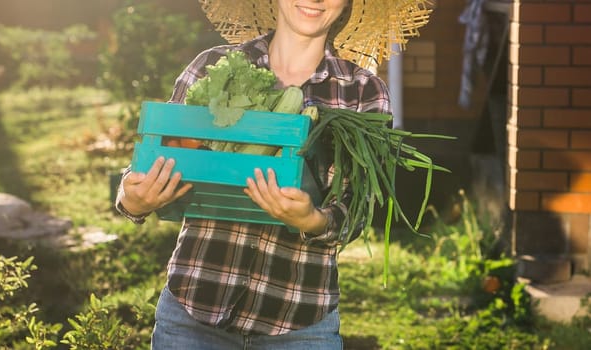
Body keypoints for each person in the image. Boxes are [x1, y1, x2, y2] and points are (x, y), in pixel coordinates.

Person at [114, 0, 433, 348]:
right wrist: (132, 199)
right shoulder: (211, 66)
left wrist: (313, 220)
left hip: (299, 324)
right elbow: (158, 156)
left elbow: (357, 210)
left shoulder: (363, 93)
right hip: (193, 316)